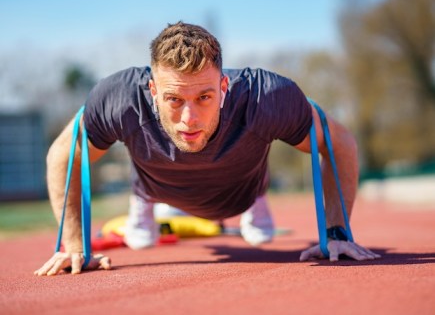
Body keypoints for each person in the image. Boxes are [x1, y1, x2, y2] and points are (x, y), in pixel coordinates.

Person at [34, 22, 380, 276]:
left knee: (259, 234)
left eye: (204, 97)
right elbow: (63, 155)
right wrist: (75, 245)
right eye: (173, 99)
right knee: (141, 240)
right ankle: (142, 202)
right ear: (152, 90)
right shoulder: (119, 99)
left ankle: (259, 196)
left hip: (241, 190)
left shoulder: (267, 98)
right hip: (158, 187)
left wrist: (336, 232)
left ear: (224, 85)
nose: (189, 117)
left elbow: (340, 143)